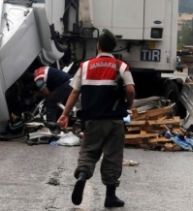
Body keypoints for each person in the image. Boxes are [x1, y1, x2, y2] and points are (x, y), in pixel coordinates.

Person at [57, 29, 135, 208]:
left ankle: (83, 176)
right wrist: (127, 106)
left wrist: (65, 114)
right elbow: (130, 90)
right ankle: (110, 196)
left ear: (98, 46)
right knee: (112, 156)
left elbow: (75, 92)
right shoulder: (121, 66)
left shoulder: (84, 67)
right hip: (114, 120)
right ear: (113, 48)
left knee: (89, 152)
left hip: (91, 120)